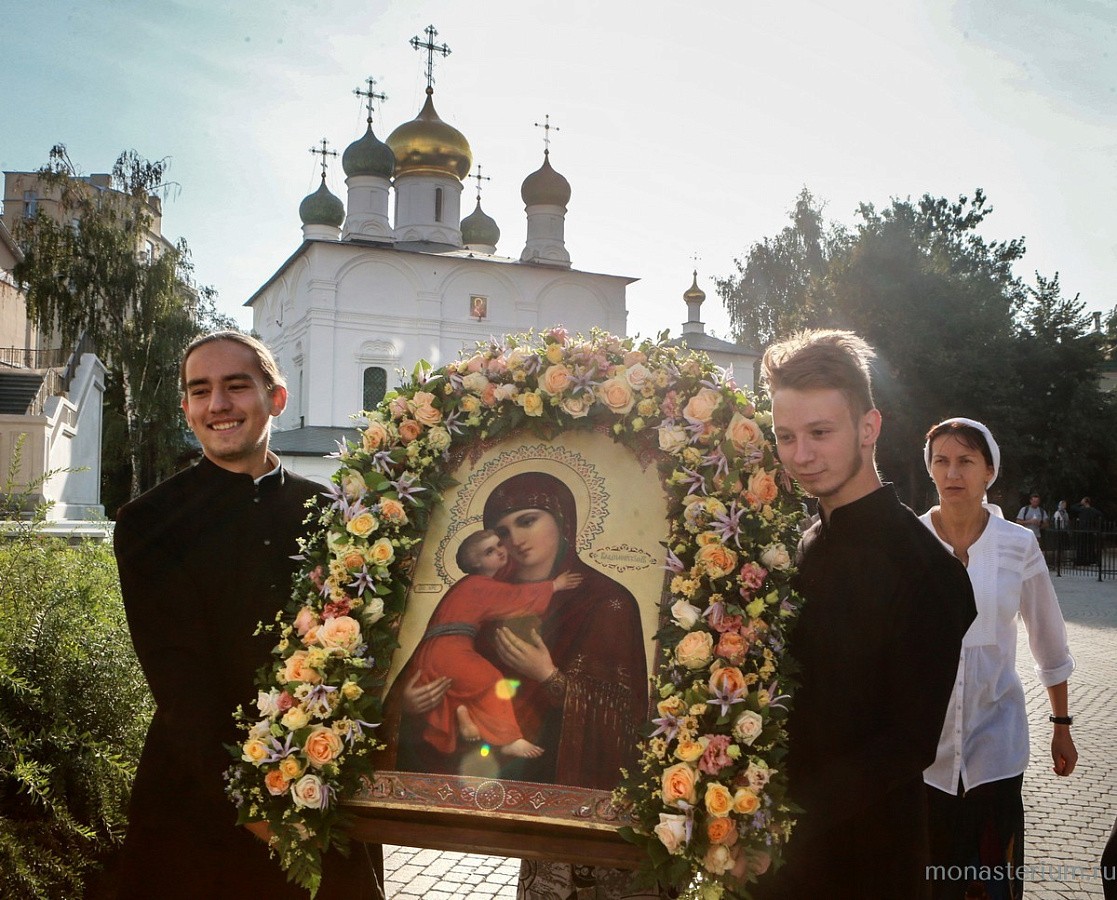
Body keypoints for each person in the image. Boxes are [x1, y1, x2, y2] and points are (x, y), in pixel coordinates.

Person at [113, 332, 380, 899]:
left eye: (236, 386)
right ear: (186, 408)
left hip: (324, 787)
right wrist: (252, 809)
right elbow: (179, 681)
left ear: (276, 398)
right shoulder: (150, 521)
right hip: (197, 802)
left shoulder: (334, 515)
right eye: (200, 390)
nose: (218, 404)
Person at [752, 329, 977, 900]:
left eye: (820, 433)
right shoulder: (806, 541)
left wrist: (781, 821)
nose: (801, 455)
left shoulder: (929, 570)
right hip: (776, 862)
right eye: (786, 436)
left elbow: (909, 742)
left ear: (868, 428)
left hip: (867, 861)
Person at [920, 418, 1077, 900]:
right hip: (924, 754)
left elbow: (1049, 638)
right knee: (928, 882)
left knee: (990, 882)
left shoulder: (1018, 544)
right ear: (930, 469)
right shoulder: (910, 541)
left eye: (966, 461)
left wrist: (1061, 724)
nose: (953, 473)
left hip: (997, 747)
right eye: (942, 461)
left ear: (989, 471)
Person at [408, 527, 582, 759]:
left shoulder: (464, 585)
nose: (500, 551)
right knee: (492, 680)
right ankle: (509, 740)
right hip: (450, 649)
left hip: (434, 652)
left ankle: (461, 711)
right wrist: (554, 586)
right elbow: (513, 598)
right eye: (489, 551)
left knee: (461, 683)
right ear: (476, 563)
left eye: (499, 545)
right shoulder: (478, 585)